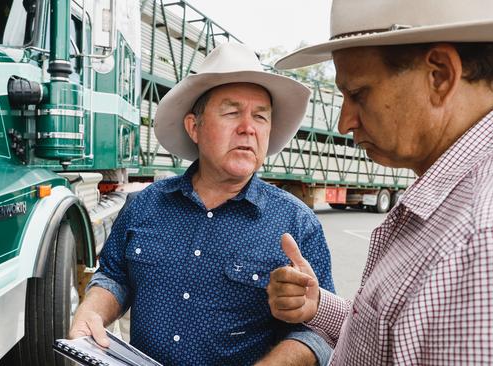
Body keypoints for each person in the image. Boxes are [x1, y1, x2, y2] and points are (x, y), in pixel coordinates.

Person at [69, 43, 336, 366]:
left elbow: (321, 333)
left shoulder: (297, 224)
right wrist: (91, 310)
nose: (248, 128)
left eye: (261, 117)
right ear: (194, 127)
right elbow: (115, 276)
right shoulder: (144, 205)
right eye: (232, 112)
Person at [267, 0, 493, 364]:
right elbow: (397, 335)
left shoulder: (482, 239)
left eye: (358, 94)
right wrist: (319, 306)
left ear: (439, 75)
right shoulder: (462, 207)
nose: (344, 122)